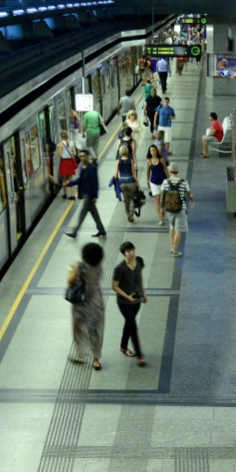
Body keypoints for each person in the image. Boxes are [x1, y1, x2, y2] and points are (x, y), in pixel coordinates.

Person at [68, 242, 106, 370]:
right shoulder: (99, 267)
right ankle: (96, 360)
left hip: (81, 302)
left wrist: (73, 269)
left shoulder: (80, 266)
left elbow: (70, 282)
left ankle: (81, 354)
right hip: (96, 302)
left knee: (77, 327)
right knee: (94, 330)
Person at [112, 241, 148, 367]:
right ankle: (140, 355)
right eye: (128, 251)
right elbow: (114, 286)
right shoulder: (119, 269)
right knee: (133, 326)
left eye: (132, 249)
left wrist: (143, 294)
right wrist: (127, 296)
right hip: (124, 302)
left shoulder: (139, 262)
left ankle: (123, 346)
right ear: (124, 254)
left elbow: (140, 277)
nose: (131, 253)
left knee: (129, 323)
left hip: (136, 301)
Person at [64, 149, 107, 238]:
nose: (82, 158)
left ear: (87, 157)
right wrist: (69, 183)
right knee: (94, 213)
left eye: (83, 156)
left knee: (82, 213)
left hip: (89, 195)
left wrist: (95, 196)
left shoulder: (92, 168)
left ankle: (75, 232)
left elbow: (95, 182)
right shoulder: (82, 167)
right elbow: (80, 179)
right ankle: (101, 230)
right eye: (80, 156)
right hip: (85, 193)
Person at [162, 163, 192, 257]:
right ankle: (175, 251)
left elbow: (162, 196)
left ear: (170, 171)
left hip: (169, 208)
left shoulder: (166, 182)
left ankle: (172, 246)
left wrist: (162, 208)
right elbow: (189, 193)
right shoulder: (184, 181)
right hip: (180, 208)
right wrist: (192, 200)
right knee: (178, 229)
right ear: (178, 171)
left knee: (172, 227)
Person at [116, 148, 140, 223]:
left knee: (126, 200)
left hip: (122, 183)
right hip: (131, 183)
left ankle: (128, 213)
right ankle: (131, 213)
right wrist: (137, 182)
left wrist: (114, 182)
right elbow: (133, 173)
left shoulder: (118, 161)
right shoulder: (130, 160)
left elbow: (116, 174)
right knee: (131, 198)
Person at [147, 145, 168, 224]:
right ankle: (161, 218)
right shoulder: (149, 161)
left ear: (157, 151)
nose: (153, 152)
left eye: (154, 150)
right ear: (150, 152)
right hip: (154, 182)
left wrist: (168, 179)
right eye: (151, 150)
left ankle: (162, 211)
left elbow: (165, 170)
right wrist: (147, 181)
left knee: (162, 200)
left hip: (162, 181)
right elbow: (148, 172)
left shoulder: (161, 160)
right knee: (157, 200)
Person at [56, 130, 78, 200]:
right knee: (71, 180)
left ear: (61, 136)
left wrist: (60, 151)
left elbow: (60, 155)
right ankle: (73, 194)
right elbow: (75, 154)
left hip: (64, 162)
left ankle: (65, 194)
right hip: (70, 162)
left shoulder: (61, 144)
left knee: (64, 180)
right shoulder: (72, 143)